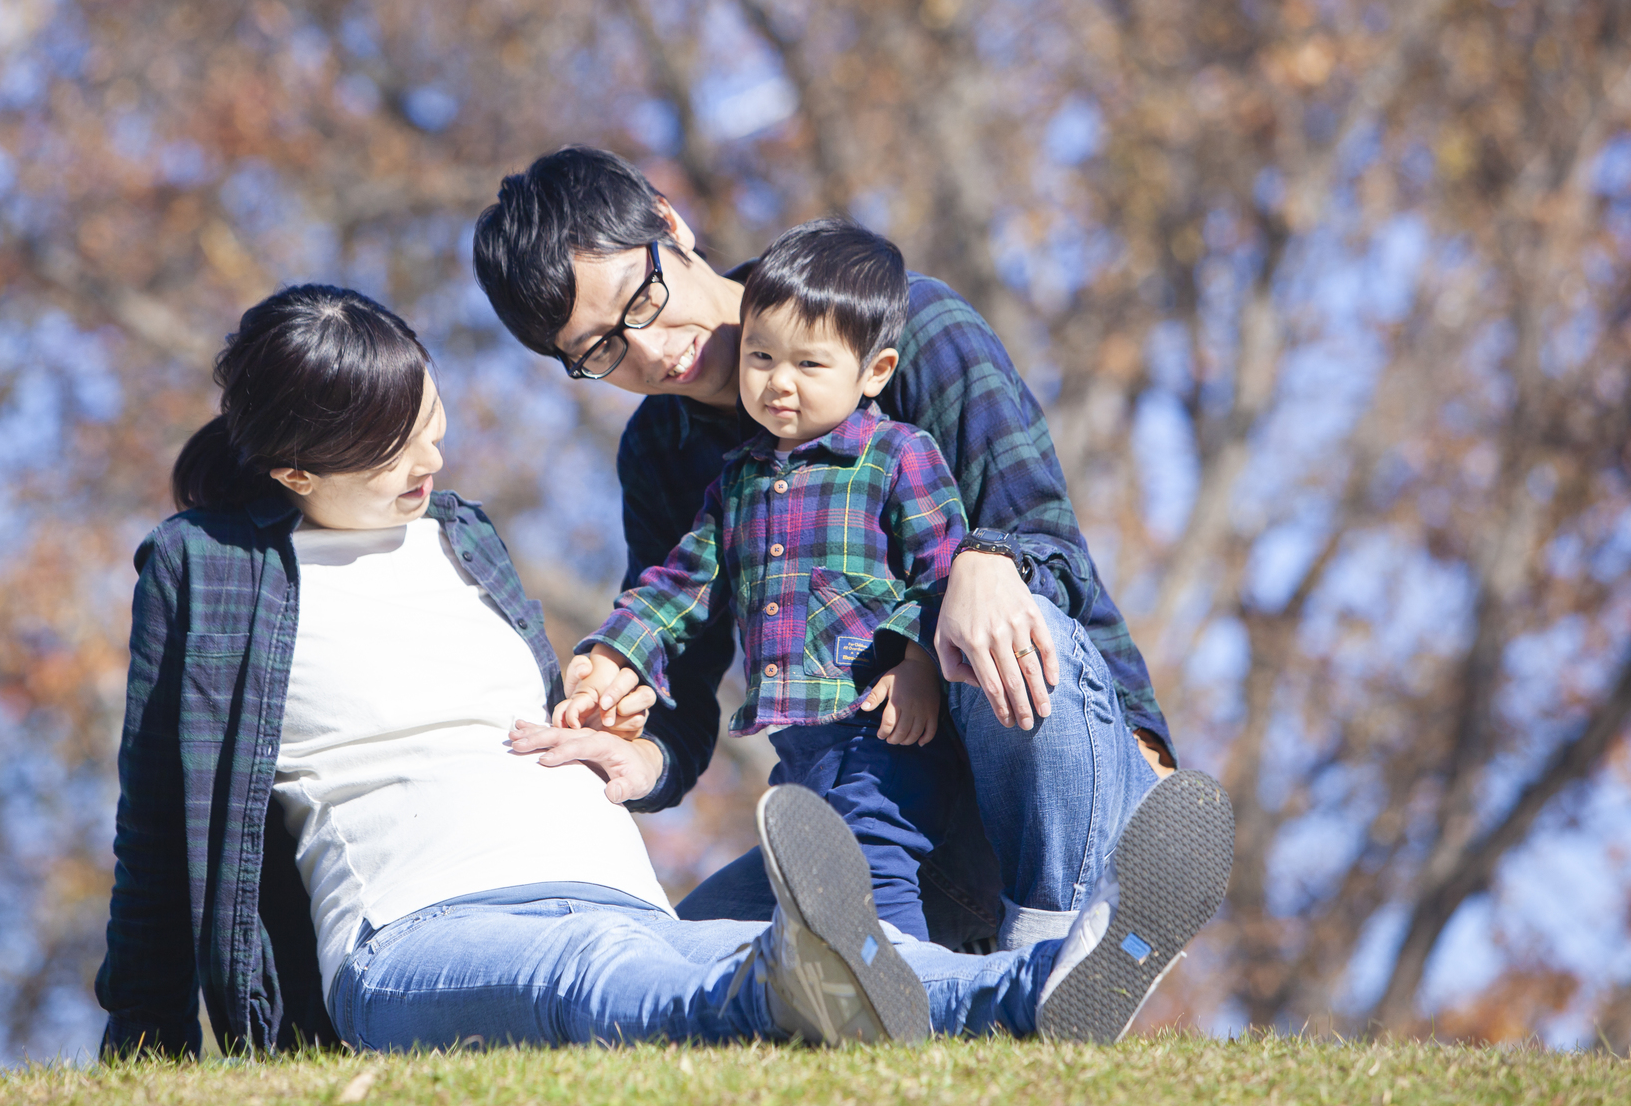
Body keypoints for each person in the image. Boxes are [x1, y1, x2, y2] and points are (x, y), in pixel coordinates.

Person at [93, 282, 1235, 1055]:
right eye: (391, 450)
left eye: (432, 421)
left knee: (755, 948)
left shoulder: (465, 536)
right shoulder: (208, 569)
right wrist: (139, 1048)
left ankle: (1042, 988)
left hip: (616, 893)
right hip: (422, 928)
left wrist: (611, 738)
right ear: (295, 471)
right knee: (601, 974)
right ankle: (837, 978)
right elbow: (158, 827)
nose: (429, 458)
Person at [473, 147, 1179, 951]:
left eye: (643, 299)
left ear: (672, 224)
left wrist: (987, 559)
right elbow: (681, 668)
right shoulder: (663, 451)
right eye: (600, 349)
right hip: (882, 807)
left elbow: (1043, 540)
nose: (651, 349)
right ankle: (979, 975)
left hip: (1046, 772)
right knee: (670, 962)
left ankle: (1085, 906)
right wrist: (637, 746)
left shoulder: (906, 326)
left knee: (1001, 616)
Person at [563, 219, 969, 939]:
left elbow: (945, 566)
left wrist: (916, 661)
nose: (778, 382)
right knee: (806, 881)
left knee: (875, 855)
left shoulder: (897, 455)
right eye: (760, 356)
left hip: (880, 725)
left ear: (873, 372)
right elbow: (679, 582)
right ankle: (852, 1007)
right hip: (796, 741)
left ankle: (919, 991)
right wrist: (614, 649)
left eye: (809, 366)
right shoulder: (736, 482)